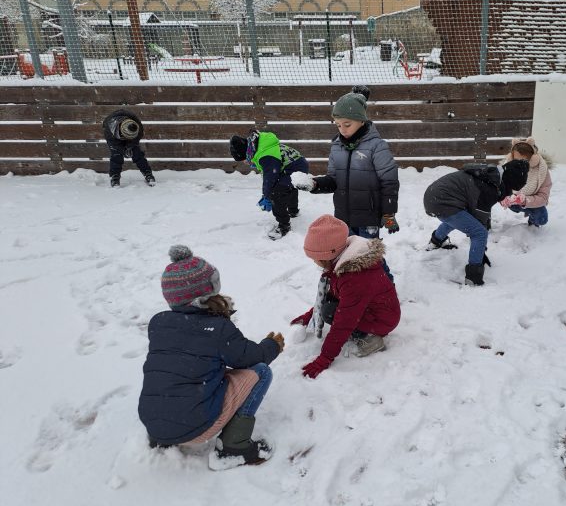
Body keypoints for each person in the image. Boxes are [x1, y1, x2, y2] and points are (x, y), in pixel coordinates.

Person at [138, 245, 284, 469]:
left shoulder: (158, 323)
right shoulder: (217, 329)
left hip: (154, 425)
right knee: (262, 372)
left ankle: (165, 436)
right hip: (196, 427)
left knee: (184, 372)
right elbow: (249, 358)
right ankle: (234, 447)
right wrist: (271, 345)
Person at [292, 86, 399, 277]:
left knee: (370, 257)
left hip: (368, 217)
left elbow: (389, 181)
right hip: (343, 218)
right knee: (347, 258)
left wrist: (389, 212)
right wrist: (315, 184)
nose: (342, 129)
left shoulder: (376, 146)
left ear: (361, 120)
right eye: (338, 125)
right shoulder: (337, 146)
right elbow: (334, 179)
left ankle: (385, 285)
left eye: (347, 124)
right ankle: (354, 287)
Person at [290, 214, 401, 379]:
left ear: (328, 254)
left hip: (382, 320)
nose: (314, 262)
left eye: (315, 258)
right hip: (374, 309)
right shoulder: (344, 260)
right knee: (328, 307)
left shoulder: (355, 278)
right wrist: (310, 315)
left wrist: (325, 358)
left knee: (330, 312)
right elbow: (332, 294)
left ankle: (370, 339)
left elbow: (344, 322)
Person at [423, 159, 529, 286]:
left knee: (459, 218)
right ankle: (473, 277)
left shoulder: (489, 174)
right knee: (479, 232)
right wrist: (480, 252)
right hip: (442, 201)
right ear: (509, 181)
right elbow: (480, 220)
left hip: (433, 196)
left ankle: (436, 241)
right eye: (511, 188)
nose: (511, 191)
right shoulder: (489, 188)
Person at [230, 129, 309, 240]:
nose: (245, 162)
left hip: (294, 169)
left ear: (246, 152)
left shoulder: (265, 155)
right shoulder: (261, 145)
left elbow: (270, 178)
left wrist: (267, 196)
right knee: (288, 187)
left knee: (276, 193)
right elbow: (269, 173)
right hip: (297, 165)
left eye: (244, 159)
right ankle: (293, 211)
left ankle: (284, 226)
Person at [499, 137, 553, 227]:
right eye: (516, 160)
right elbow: (500, 188)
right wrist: (503, 199)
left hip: (532, 202)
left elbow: (543, 197)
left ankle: (532, 221)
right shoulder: (507, 167)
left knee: (542, 218)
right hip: (513, 203)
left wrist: (525, 200)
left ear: (532, 158)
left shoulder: (542, 171)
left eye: (524, 161)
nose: (519, 164)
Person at [101, 108, 155, 188]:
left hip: (130, 136)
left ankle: (148, 173)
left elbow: (138, 136)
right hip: (114, 138)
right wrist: (123, 150)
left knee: (137, 154)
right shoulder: (109, 130)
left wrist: (130, 146)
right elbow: (114, 145)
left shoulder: (136, 125)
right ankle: (114, 177)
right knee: (116, 156)